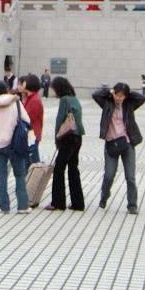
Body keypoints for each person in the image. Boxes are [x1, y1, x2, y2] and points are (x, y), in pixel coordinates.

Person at [92, 82, 145, 214]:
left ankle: (132, 205)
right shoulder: (107, 103)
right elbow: (95, 95)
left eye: (122, 96)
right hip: (111, 143)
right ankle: (104, 196)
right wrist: (109, 92)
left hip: (127, 143)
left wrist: (128, 94)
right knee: (109, 175)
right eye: (117, 95)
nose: (119, 98)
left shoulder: (129, 104)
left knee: (130, 177)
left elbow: (141, 98)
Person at [0, 79, 31, 214]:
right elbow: (27, 120)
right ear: (6, 89)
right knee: (20, 175)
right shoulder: (15, 102)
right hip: (14, 144)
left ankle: (4, 207)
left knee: (1, 175)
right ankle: (22, 206)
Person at [47, 76, 85, 212]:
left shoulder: (64, 100)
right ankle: (78, 203)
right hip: (78, 137)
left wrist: (57, 138)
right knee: (73, 169)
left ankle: (58, 203)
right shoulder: (75, 99)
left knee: (59, 169)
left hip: (67, 138)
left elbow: (59, 119)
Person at [19, 74, 45, 165]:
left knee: (32, 164)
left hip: (32, 135)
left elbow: (28, 118)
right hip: (29, 135)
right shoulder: (29, 98)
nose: (22, 84)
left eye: (24, 82)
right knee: (30, 163)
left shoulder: (34, 100)